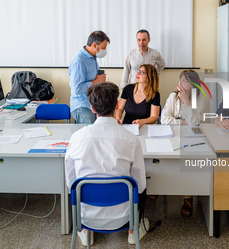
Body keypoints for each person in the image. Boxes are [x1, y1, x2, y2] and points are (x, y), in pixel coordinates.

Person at [65, 82, 148, 246]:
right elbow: (141, 184)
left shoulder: (77, 138)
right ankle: (133, 230)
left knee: (78, 185)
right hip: (123, 217)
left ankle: (86, 231)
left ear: (92, 108)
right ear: (117, 105)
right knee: (141, 184)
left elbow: (70, 182)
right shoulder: (131, 140)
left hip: (86, 217)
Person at [160, 69, 205, 217]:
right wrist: (183, 122)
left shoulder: (199, 99)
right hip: (171, 136)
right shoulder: (173, 96)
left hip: (192, 139)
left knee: (187, 163)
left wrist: (186, 102)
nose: (180, 83)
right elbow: (164, 119)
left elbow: (193, 124)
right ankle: (159, 189)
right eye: (180, 80)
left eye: (184, 80)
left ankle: (188, 197)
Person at [69, 30, 110, 124]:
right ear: (95, 45)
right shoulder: (79, 61)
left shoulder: (93, 57)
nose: (104, 50)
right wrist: (95, 82)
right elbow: (77, 89)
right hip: (82, 106)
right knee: (88, 137)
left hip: (92, 104)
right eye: (103, 48)